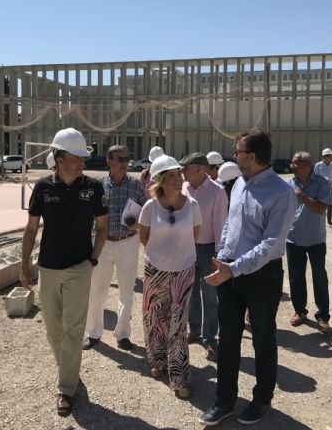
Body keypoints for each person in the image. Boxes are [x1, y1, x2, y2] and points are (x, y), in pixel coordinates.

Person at [200, 129, 296, 426]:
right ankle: (224, 401)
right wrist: (224, 255)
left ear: (251, 157)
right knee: (227, 340)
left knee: (263, 340)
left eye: (238, 152)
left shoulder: (282, 193)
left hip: (262, 277)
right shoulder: (240, 183)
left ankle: (261, 400)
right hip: (231, 271)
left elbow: (271, 245)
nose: (234, 156)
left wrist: (235, 266)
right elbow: (231, 223)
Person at [20, 128, 108, 416]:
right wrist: (24, 266)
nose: (82, 161)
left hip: (79, 268)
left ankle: (65, 389)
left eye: (84, 157)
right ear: (59, 159)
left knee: (73, 329)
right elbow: (31, 229)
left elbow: (103, 227)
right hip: (47, 267)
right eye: (76, 157)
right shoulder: (43, 188)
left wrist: (92, 260)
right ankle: (68, 369)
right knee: (53, 328)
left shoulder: (93, 188)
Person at [138, 154, 202, 399]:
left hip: (184, 269)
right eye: (172, 175)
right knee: (155, 318)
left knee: (178, 324)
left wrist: (176, 255)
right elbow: (145, 238)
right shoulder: (150, 206)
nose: (178, 179)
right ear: (161, 180)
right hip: (155, 269)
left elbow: (194, 236)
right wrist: (163, 256)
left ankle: (179, 376)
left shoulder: (192, 205)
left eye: (179, 174)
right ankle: (157, 360)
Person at [83, 145, 147, 351]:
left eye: (127, 159)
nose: (124, 163)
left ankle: (122, 334)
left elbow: (146, 215)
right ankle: (93, 333)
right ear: (109, 161)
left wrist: (136, 224)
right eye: (120, 159)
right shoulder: (98, 185)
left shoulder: (136, 186)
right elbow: (89, 216)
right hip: (103, 243)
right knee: (97, 290)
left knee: (126, 290)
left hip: (128, 242)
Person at [180, 152, 228, 361]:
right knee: (190, 294)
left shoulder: (217, 192)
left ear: (200, 169)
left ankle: (210, 339)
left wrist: (220, 256)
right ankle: (194, 329)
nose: (182, 172)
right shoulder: (184, 187)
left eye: (186, 169)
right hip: (188, 248)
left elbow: (221, 226)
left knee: (210, 298)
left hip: (209, 250)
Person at [286, 151, 332, 332]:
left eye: (296, 163)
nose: (292, 166)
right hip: (293, 238)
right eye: (292, 163)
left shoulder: (323, 183)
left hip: (315, 239)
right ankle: (299, 311)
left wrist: (302, 197)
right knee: (296, 278)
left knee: (319, 277)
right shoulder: (288, 184)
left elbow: (321, 208)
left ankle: (323, 316)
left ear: (308, 165)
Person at [314, 147, 332, 225]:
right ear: (325, 156)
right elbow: (314, 175)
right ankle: (318, 219)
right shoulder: (318, 165)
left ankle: (329, 220)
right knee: (319, 203)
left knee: (329, 203)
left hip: (330, 187)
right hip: (320, 187)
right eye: (330, 156)